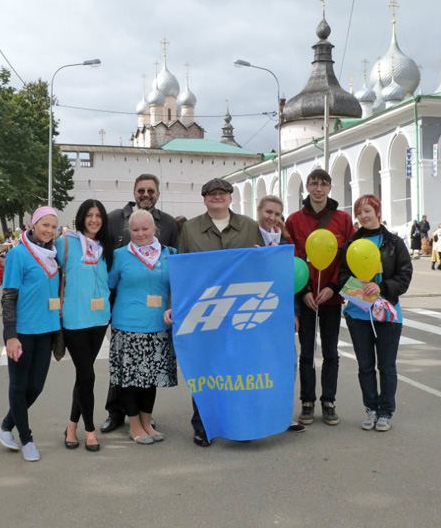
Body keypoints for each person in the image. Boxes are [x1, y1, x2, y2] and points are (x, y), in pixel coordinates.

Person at [168, 177, 264, 447]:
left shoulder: (249, 226)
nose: (217, 197)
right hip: (204, 309)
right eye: (212, 194)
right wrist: (175, 303)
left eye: (222, 193)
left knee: (239, 369)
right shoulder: (190, 228)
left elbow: (260, 266)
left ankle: (240, 424)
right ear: (204, 199)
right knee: (205, 369)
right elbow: (181, 269)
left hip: (239, 309)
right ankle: (203, 425)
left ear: (230, 197)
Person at [101, 174, 178, 434]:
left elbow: (182, 281)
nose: (141, 233)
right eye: (135, 230)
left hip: (158, 325)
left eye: (145, 229)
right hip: (128, 325)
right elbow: (106, 285)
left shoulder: (170, 254)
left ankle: (147, 422)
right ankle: (133, 425)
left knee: (150, 378)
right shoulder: (120, 255)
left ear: (155, 230)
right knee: (129, 379)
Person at [285, 168, 354, 427]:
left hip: (331, 299)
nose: (318, 189)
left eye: (323, 184)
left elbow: (347, 258)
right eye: (313, 184)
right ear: (307, 187)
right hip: (306, 298)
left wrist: (334, 287)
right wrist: (303, 291)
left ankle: (328, 401)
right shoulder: (294, 220)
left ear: (329, 188)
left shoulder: (343, 220)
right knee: (306, 353)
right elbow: (291, 258)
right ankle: (307, 401)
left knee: (330, 352)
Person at [338, 195, 412, 432]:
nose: (363, 216)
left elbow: (404, 275)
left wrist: (382, 287)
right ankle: (370, 408)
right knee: (365, 365)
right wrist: (356, 286)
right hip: (358, 314)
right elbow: (341, 276)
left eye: (368, 210)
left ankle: (385, 412)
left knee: (387, 366)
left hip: (388, 313)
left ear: (378, 212)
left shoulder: (394, 243)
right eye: (359, 212)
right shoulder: (351, 244)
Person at [0, 206, 61, 462]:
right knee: (19, 385)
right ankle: (26, 439)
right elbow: (8, 298)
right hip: (22, 332)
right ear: (33, 225)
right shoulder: (18, 254)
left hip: (46, 331)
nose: (49, 230)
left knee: (36, 386)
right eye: (45, 225)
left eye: (53, 226)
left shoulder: (53, 256)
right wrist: (10, 336)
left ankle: (5, 427)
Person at [58, 199, 114, 452]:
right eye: (89, 215)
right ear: (80, 218)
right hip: (74, 320)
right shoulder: (65, 243)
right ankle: (89, 429)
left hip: (99, 319)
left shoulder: (106, 247)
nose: (94, 220)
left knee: (83, 375)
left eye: (98, 215)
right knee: (88, 375)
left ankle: (71, 426)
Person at [257, 194, 306, 433]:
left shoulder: (285, 242)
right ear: (259, 211)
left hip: (281, 310)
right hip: (254, 310)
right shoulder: (248, 238)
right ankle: (259, 414)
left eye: (277, 214)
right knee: (258, 364)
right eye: (268, 212)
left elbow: (292, 281)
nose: (272, 217)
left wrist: (294, 312)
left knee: (286, 363)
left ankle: (284, 413)